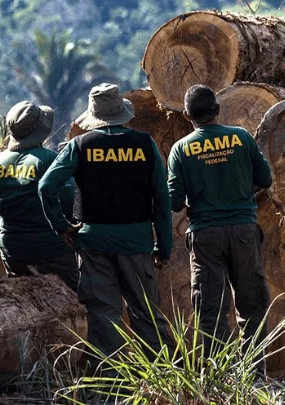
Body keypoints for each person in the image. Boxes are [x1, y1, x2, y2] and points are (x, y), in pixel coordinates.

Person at [38, 83, 173, 360]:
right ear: (121, 112)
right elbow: (161, 197)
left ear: (94, 115)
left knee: (104, 316)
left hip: (93, 243)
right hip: (136, 242)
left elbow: (46, 187)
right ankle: (167, 384)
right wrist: (164, 246)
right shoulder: (145, 145)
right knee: (146, 314)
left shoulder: (79, 146)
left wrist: (61, 226)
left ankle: (108, 389)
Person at [167, 84, 272, 370]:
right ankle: (255, 373)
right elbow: (266, 178)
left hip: (205, 235)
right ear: (217, 110)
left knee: (210, 309)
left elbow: (174, 202)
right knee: (251, 303)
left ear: (188, 115)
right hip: (243, 230)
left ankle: (221, 375)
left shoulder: (180, 150)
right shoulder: (241, 138)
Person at [0, 101, 79, 292]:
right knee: (80, 298)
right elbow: (67, 198)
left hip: (11, 247)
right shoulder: (47, 158)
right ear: (40, 132)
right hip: (50, 247)